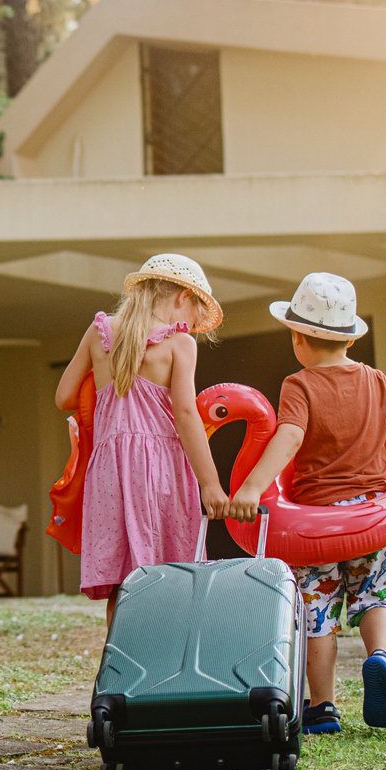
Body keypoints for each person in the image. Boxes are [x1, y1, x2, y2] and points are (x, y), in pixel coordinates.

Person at [227, 273, 386, 733]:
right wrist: (379, 452)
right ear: (349, 339)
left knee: (317, 614)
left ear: (299, 339)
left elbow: (290, 436)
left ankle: (322, 708)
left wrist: (252, 487)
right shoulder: (376, 380)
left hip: (318, 523)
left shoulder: (298, 384)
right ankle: (379, 657)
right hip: (371, 517)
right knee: (376, 594)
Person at [54, 254, 233, 622]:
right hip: (160, 466)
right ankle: (160, 663)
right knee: (166, 573)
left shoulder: (101, 330)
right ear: (183, 296)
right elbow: (185, 416)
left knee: (122, 577)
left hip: (108, 467)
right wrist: (210, 484)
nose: (192, 325)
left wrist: (105, 391)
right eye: (195, 313)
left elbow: (63, 398)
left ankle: (120, 669)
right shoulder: (179, 343)